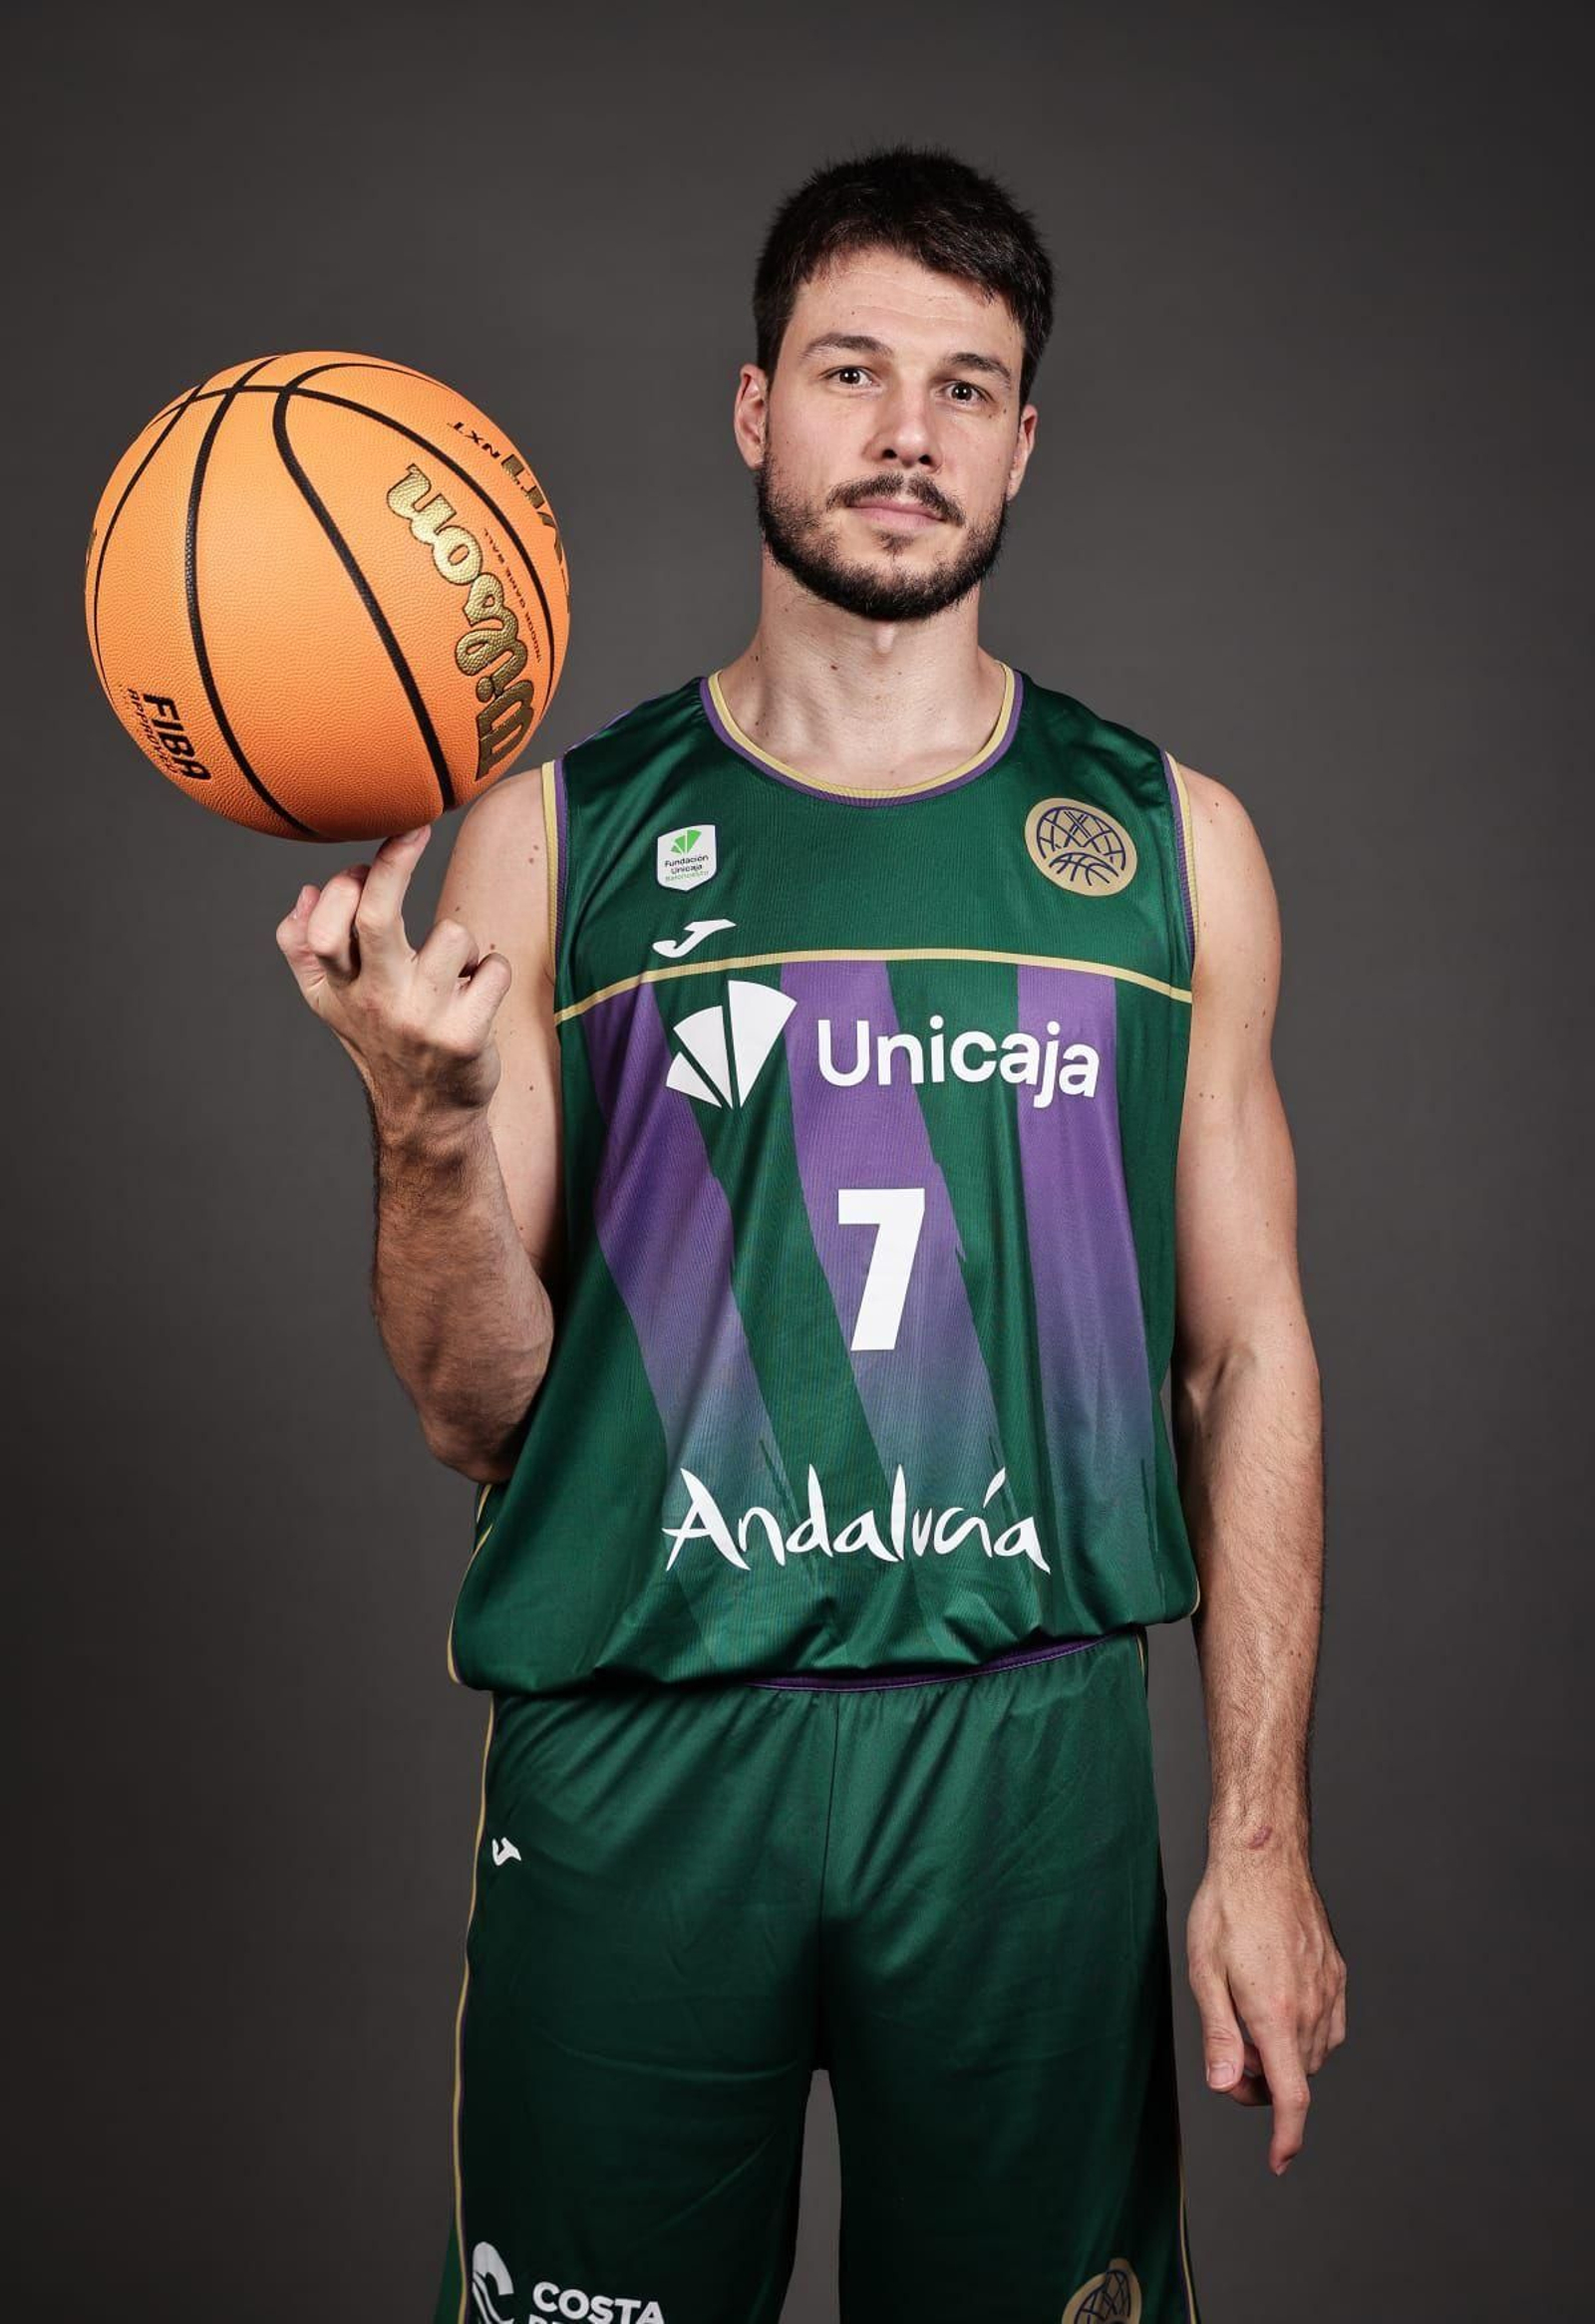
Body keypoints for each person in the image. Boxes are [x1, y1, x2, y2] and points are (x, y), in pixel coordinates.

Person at [276, 144, 1346, 2324]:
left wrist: (1254, 1834)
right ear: (752, 407)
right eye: (851, 371)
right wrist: (422, 1121)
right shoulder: (554, 842)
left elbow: (1246, 1360)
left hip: (1023, 1764)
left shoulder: (1165, 852)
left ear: (1021, 442)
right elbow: (478, 1414)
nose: (904, 433)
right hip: (642, 1745)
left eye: (965, 388)